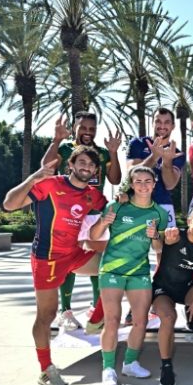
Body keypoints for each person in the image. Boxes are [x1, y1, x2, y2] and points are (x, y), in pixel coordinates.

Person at [3, 147, 107, 385]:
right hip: (46, 258)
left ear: (94, 171)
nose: (86, 167)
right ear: (71, 165)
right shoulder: (49, 184)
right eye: (81, 162)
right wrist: (34, 177)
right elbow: (9, 205)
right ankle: (46, 370)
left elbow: (115, 206)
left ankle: (95, 319)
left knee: (112, 266)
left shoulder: (92, 195)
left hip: (73, 254)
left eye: (91, 165)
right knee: (46, 315)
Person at [88, 165, 168, 385]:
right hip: (112, 270)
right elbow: (93, 235)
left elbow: (158, 246)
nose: (143, 185)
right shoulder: (117, 206)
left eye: (147, 181)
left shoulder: (160, 214)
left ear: (154, 184)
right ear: (132, 185)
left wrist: (154, 237)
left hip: (139, 271)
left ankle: (130, 363)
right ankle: (108, 369)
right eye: (138, 181)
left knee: (141, 321)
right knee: (112, 319)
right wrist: (104, 221)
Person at [40, 112, 121, 333]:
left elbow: (115, 179)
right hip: (69, 213)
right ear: (75, 127)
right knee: (67, 261)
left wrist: (113, 152)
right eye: (83, 127)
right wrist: (56, 140)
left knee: (100, 261)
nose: (87, 132)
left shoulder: (102, 153)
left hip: (94, 212)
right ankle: (65, 311)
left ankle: (96, 310)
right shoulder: (65, 149)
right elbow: (46, 166)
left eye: (91, 129)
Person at [151, 206, 193, 385]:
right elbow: (158, 244)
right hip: (162, 289)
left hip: (186, 289)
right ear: (188, 221)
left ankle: (190, 310)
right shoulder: (175, 235)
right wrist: (160, 237)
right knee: (168, 317)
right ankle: (166, 366)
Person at [126, 107, 186, 227]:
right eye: (158, 121)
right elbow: (131, 172)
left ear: (173, 126)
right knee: (136, 244)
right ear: (152, 123)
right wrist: (154, 157)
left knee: (166, 244)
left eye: (167, 122)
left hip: (163, 206)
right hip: (136, 204)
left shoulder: (176, 153)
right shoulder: (137, 144)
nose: (162, 126)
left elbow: (170, 184)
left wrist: (167, 161)